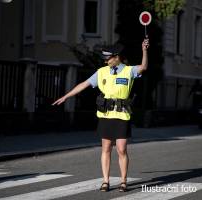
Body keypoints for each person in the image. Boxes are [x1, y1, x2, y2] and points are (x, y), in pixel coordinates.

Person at [52, 38, 149, 192]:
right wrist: (66, 96)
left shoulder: (128, 70)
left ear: (116, 57)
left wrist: (144, 50)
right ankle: (106, 181)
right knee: (106, 148)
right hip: (106, 115)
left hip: (122, 115)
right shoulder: (101, 72)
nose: (105, 61)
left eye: (108, 58)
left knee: (122, 149)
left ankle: (123, 181)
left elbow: (143, 66)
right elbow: (84, 84)